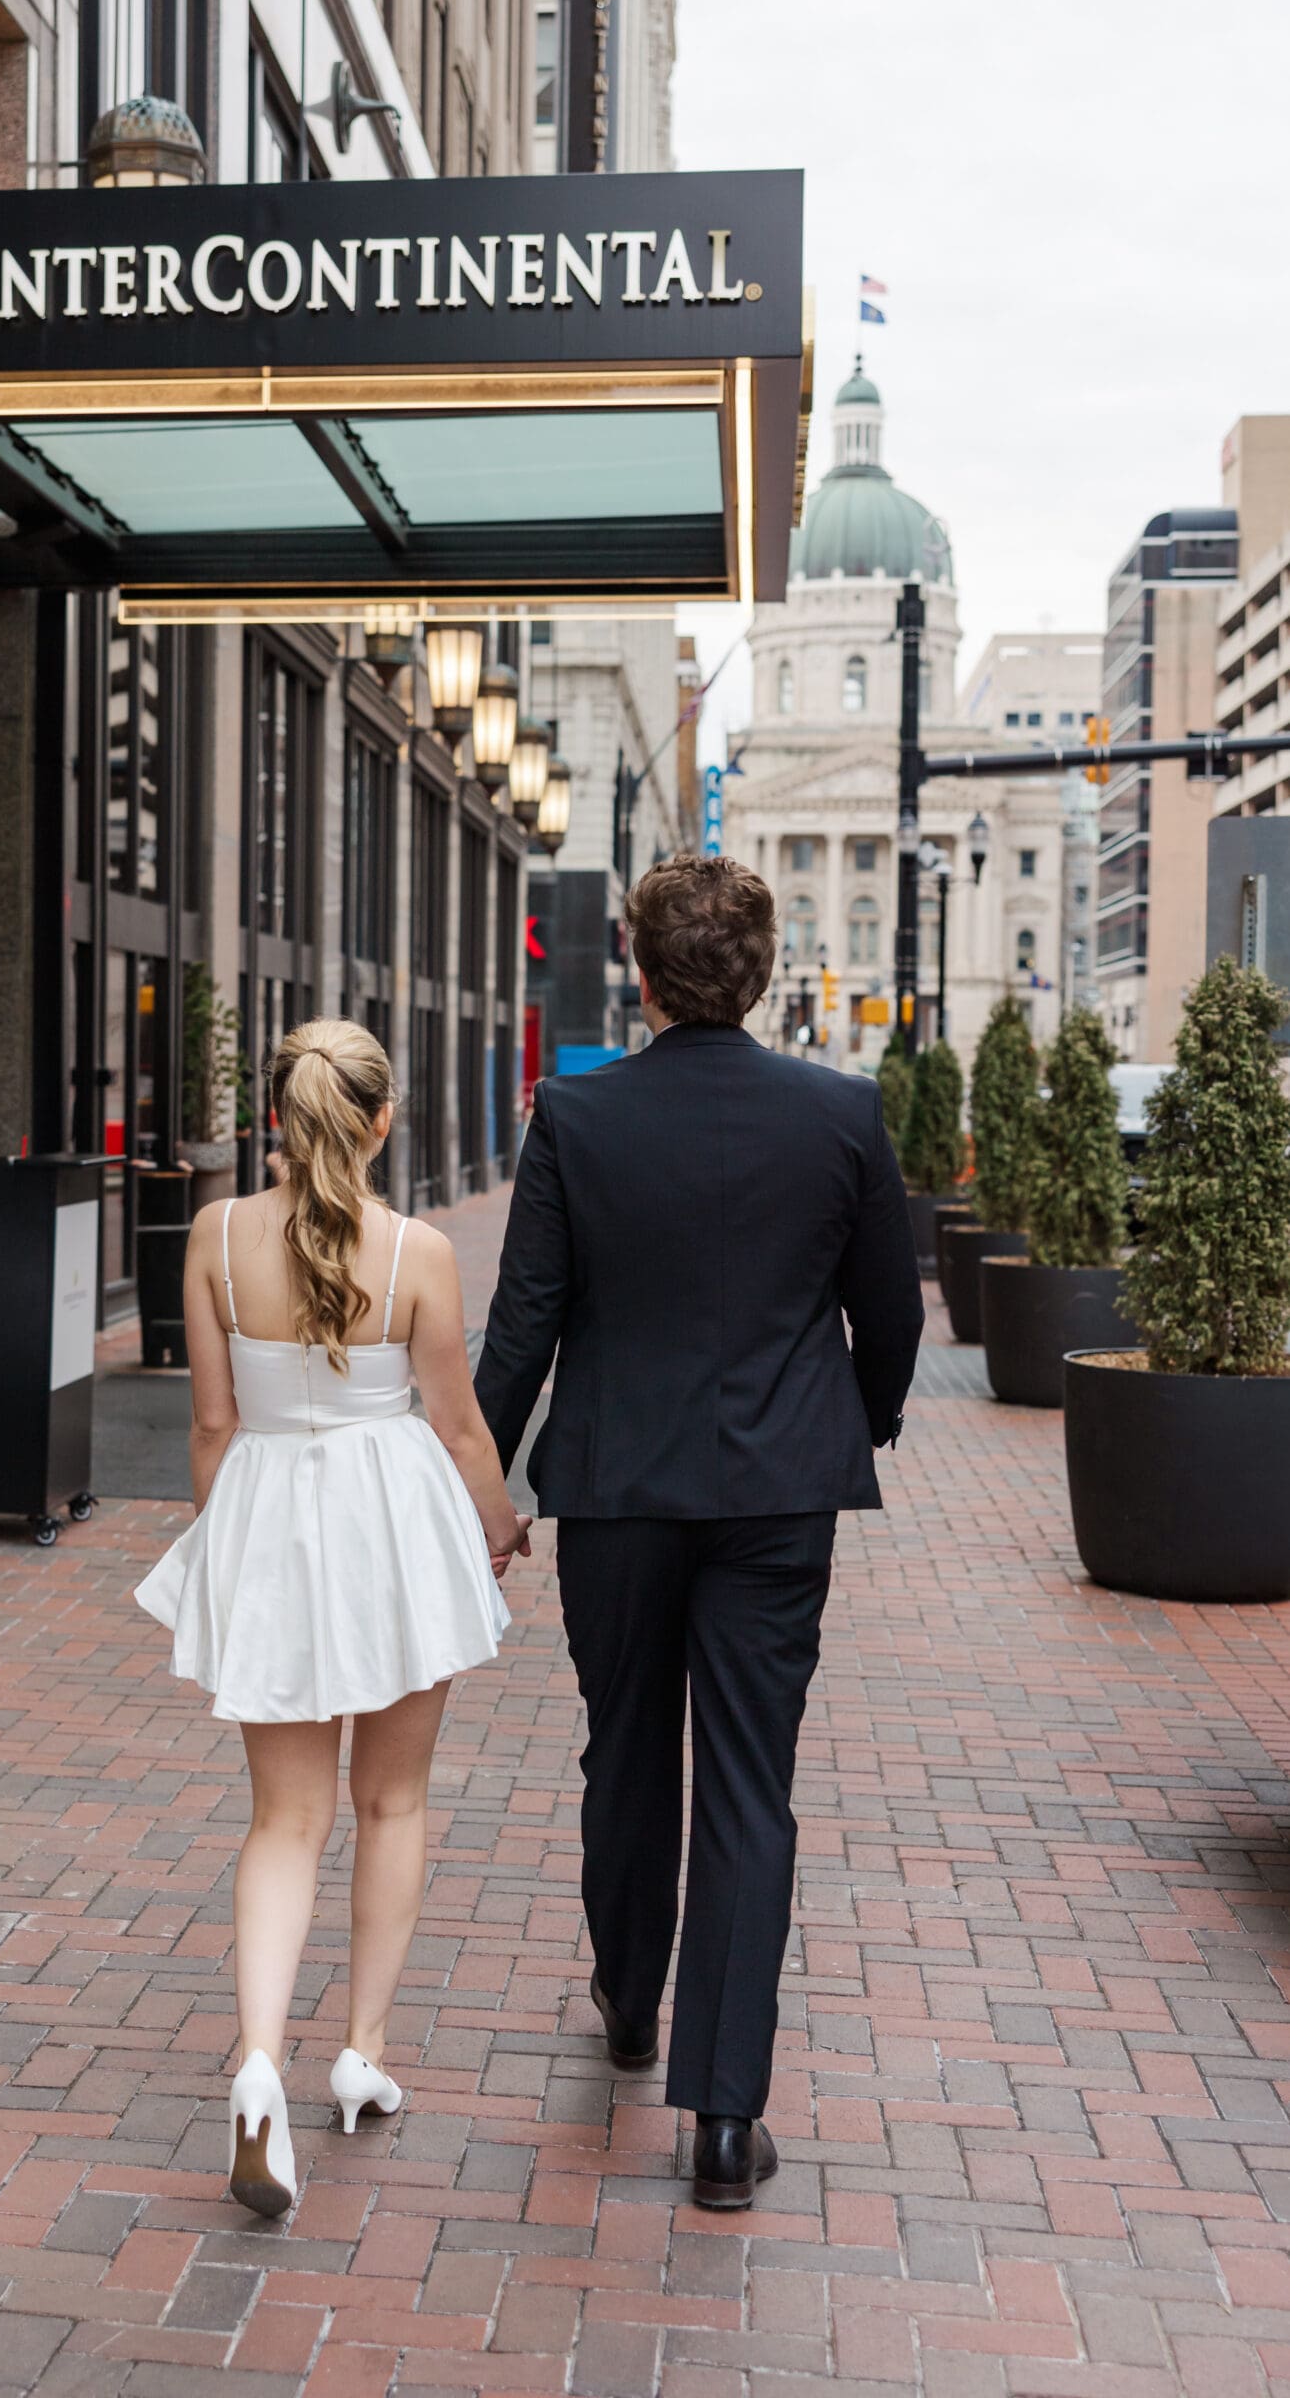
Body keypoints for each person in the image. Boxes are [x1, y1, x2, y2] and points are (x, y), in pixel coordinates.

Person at [474, 854, 923, 2211]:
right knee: (745, 1780)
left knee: (623, 1745)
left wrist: (471, 1482)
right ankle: (724, 2121)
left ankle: (627, 1999)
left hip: (615, 1489)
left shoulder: (576, 1116)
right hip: (777, 1494)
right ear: (764, 970)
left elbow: (523, 1322)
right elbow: (889, 1311)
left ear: (638, 966)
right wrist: (854, 1422)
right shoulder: (839, 1113)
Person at [135, 1019, 529, 2218]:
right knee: (390, 1802)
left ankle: (258, 2062)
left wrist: (227, 1549)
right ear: (380, 1120)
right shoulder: (417, 1252)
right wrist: (499, 1526)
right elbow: (457, 1425)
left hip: (268, 1511)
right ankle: (360, 2052)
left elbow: (212, 1424)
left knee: (283, 1818)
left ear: (276, 1113)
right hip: (394, 1526)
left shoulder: (215, 1235)